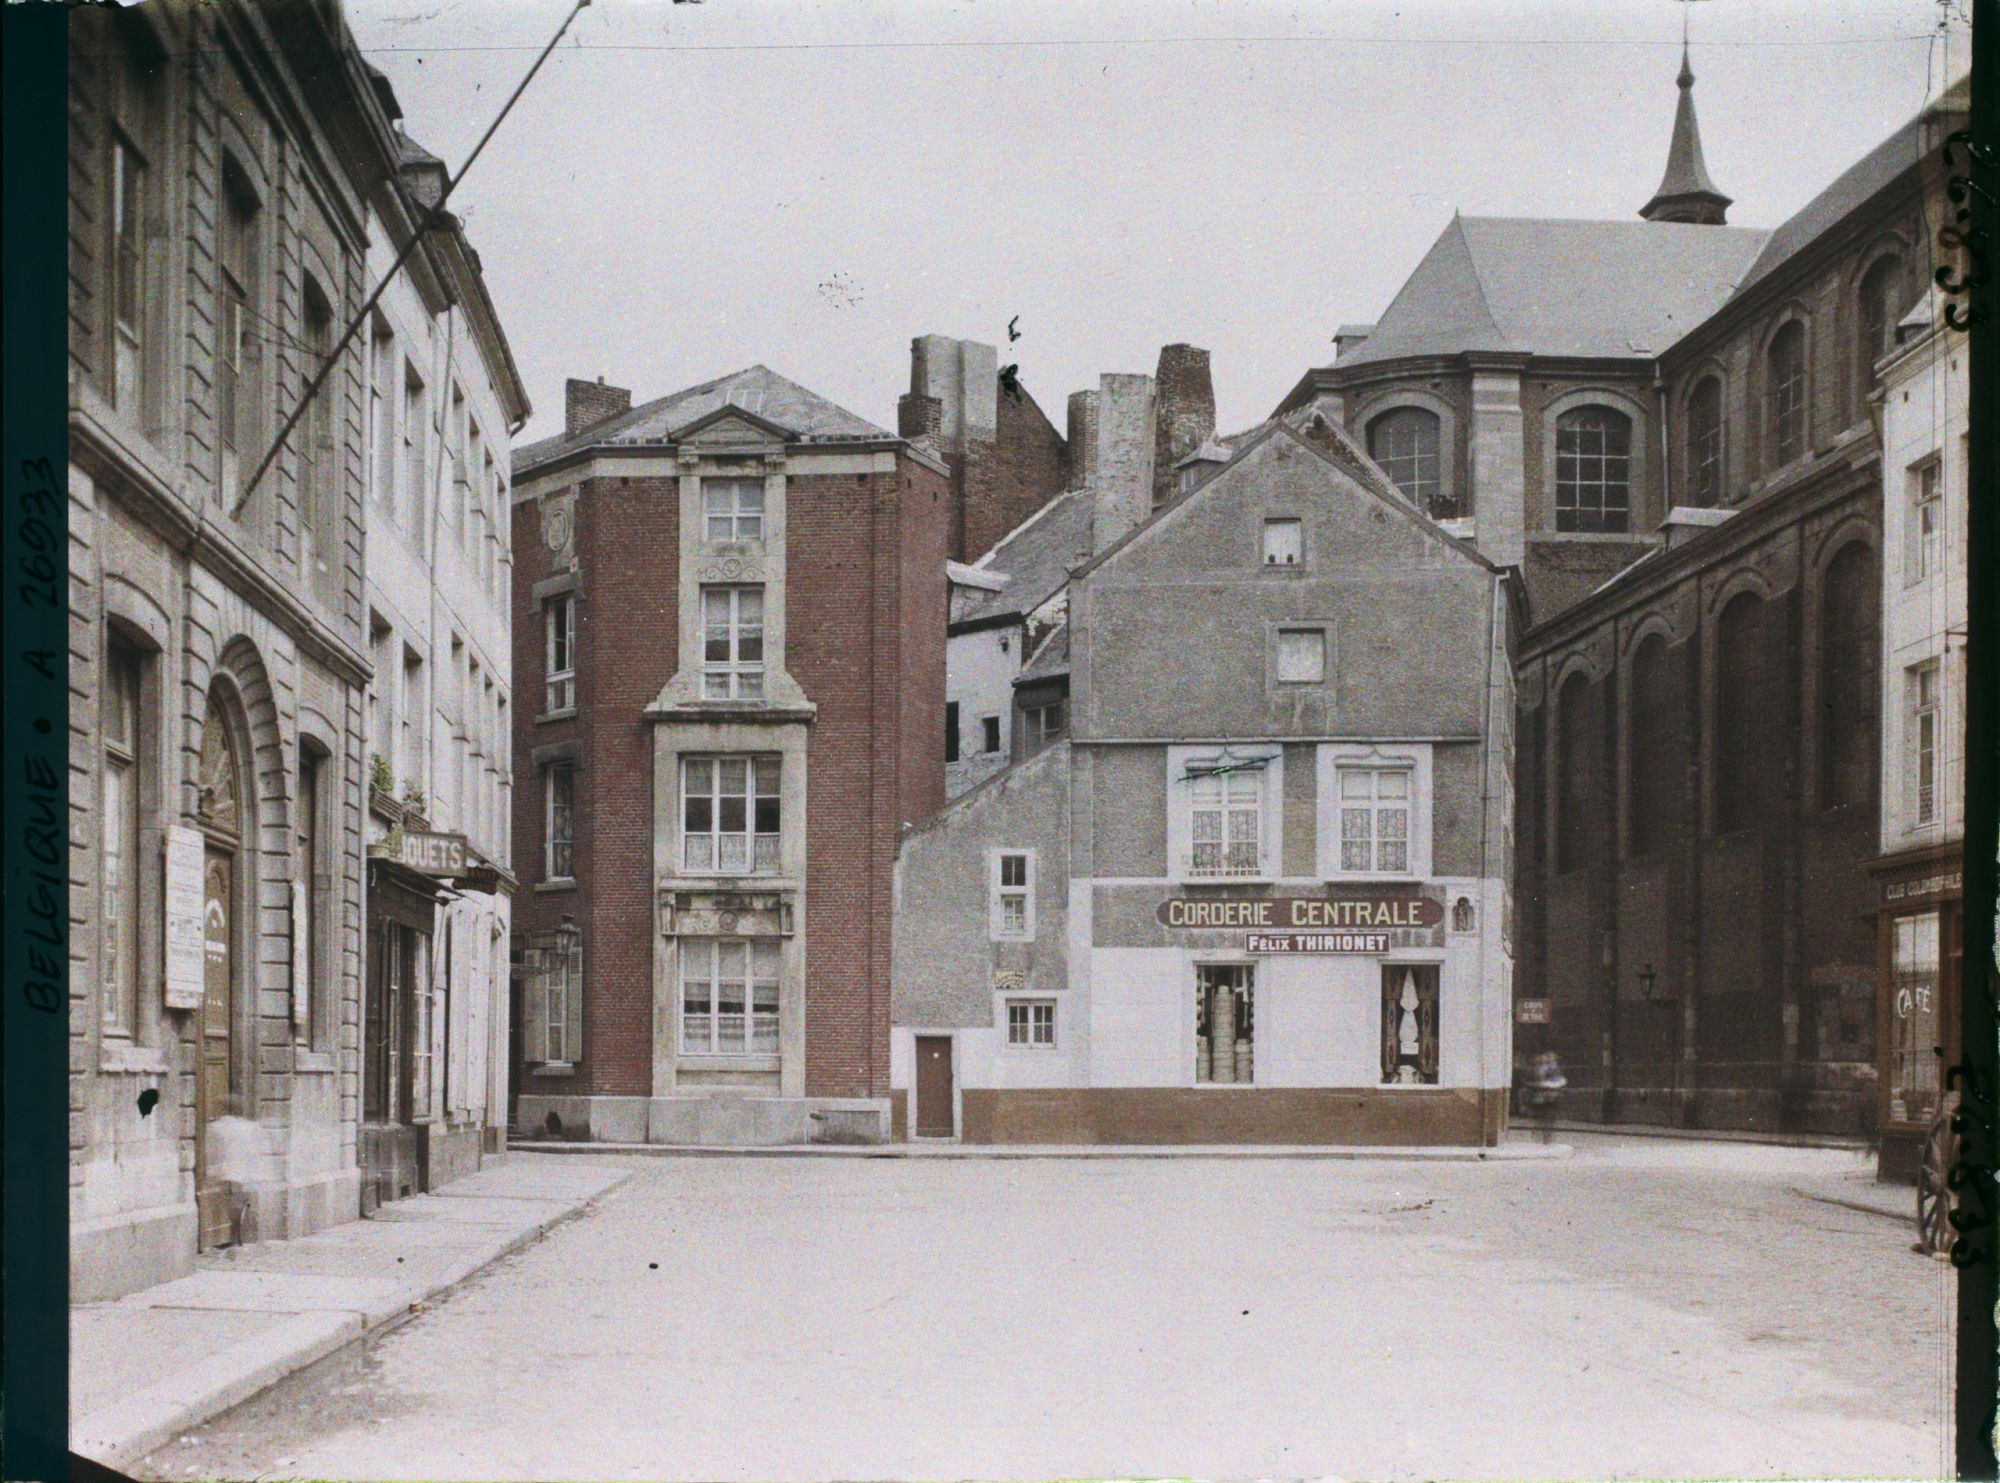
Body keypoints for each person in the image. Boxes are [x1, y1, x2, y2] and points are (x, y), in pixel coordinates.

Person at [1523, 1050, 1566, 1145]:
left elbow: (1561, 1081)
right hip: (1538, 1097)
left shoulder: (1554, 1068)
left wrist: (1548, 1085)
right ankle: (1540, 1137)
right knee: (1539, 1118)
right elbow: (1526, 1081)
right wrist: (1537, 1085)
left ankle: (1546, 1137)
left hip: (1551, 1097)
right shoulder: (1533, 1069)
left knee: (1548, 1118)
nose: (1546, 1059)